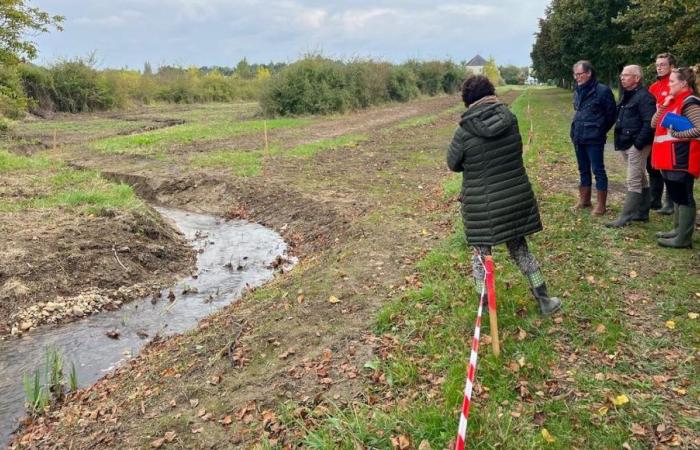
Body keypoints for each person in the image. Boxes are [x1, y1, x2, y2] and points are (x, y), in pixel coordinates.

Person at [447, 75, 561, 316]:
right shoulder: (510, 119)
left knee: (481, 257)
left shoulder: (464, 130)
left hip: (481, 205)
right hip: (515, 199)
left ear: (467, 99)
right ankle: (544, 300)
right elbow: (515, 151)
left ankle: (485, 309)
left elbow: (453, 164)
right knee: (521, 250)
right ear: (491, 92)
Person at [650, 66, 700, 248]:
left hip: (682, 157)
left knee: (683, 195)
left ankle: (683, 238)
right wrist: (664, 104)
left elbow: (699, 128)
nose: (668, 84)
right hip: (670, 158)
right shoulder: (673, 100)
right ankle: (678, 230)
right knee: (676, 194)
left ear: (684, 83)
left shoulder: (690, 102)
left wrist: (677, 135)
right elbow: (654, 123)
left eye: (672, 81)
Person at [606, 65, 656, 227]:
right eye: (622, 75)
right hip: (626, 142)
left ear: (637, 78)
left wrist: (638, 144)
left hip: (637, 144)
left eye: (627, 75)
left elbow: (649, 123)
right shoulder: (627, 95)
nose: (622, 78)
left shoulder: (645, 97)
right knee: (640, 176)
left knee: (633, 179)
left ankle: (625, 217)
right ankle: (642, 212)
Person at [570, 60, 617, 215]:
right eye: (575, 74)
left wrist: (599, 130)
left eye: (580, 74)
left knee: (598, 170)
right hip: (578, 136)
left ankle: (601, 205)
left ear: (589, 73)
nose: (577, 77)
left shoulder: (602, 90)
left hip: (594, 138)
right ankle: (584, 200)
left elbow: (611, 115)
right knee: (583, 169)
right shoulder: (577, 89)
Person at [648, 53, 676, 214]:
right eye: (657, 64)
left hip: (673, 134)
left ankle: (670, 203)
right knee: (654, 167)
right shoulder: (653, 87)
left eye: (663, 64)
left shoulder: (676, 85)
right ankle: (655, 199)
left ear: (672, 67)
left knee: (671, 168)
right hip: (656, 132)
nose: (659, 67)